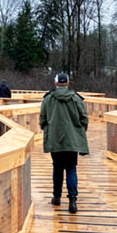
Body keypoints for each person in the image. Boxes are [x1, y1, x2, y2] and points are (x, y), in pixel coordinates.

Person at [40, 72, 88, 213]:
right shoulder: (75, 98)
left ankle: (57, 197)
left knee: (57, 168)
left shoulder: (48, 99)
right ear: (67, 83)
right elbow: (84, 118)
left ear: (56, 83)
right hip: (72, 140)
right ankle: (72, 201)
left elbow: (42, 118)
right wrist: (79, 132)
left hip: (55, 140)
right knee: (71, 168)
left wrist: (46, 128)